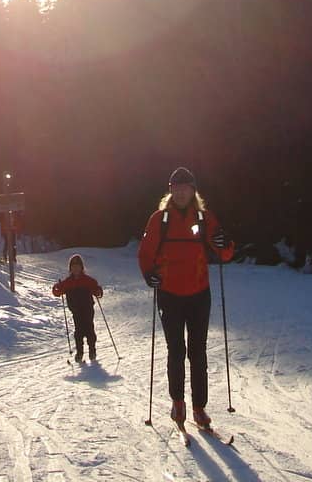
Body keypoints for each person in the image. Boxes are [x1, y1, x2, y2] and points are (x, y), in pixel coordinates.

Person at [137, 166, 233, 429]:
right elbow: (146, 253)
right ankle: (177, 402)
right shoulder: (159, 220)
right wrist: (150, 275)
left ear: (193, 191)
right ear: (171, 191)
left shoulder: (204, 218)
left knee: (198, 352)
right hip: (169, 295)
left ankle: (199, 408)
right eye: (176, 188)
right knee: (176, 351)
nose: (181, 192)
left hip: (199, 294)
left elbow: (224, 253)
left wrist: (224, 244)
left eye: (186, 188)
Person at [51, 253, 104, 362]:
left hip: (88, 308)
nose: (75, 269)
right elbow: (58, 292)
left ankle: (92, 351)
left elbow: (96, 290)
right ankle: (79, 352)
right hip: (75, 310)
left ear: (81, 268)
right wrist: (56, 288)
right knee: (78, 331)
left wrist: (98, 291)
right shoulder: (68, 282)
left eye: (78, 267)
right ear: (70, 269)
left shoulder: (88, 280)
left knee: (89, 329)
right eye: (73, 267)